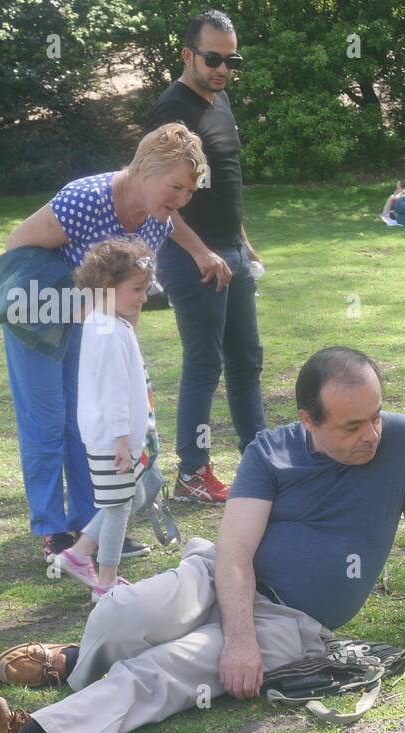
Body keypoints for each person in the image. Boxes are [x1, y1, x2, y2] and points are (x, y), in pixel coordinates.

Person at [0, 348, 405, 733]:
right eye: (351, 426)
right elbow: (236, 551)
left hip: (291, 620)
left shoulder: (404, 442)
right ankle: (78, 661)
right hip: (216, 576)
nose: (371, 435)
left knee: (167, 669)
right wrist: (239, 640)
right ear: (308, 420)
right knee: (121, 613)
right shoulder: (269, 452)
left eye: (375, 417)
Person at [3, 123, 207, 564]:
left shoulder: (157, 223)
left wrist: (124, 348)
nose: (181, 201)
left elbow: (132, 294)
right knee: (48, 423)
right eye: (175, 187)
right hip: (35, 317)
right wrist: (75, 302)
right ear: (145, 171)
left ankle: (90, 528)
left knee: (89, 422)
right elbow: (16, 247)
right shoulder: (86, 199)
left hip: (90, 326)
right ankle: (53, 531)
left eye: (189, 192)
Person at [146, 9, 266, 505]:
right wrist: (200, 252)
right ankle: (192, 473)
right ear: (188, 54)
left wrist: (242, 241)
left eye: (231, 60)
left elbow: (223, 182)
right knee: (205, 362)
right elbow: (158, 195)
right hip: (192, 256)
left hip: (231, 251)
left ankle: (259, 459)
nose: (222, 68)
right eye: (213, 58)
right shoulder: (171, 111)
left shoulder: (220, 100)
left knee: (247, 359)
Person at [52, 238, 159, 603]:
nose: (144, 298)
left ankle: (80, 554)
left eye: (146, 289)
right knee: (117, 508)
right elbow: (113, 391)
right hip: (113, 438)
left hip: (114, 436)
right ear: (106, 288)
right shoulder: (109, 331)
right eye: (137, 290)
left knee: (127, 497)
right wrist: (120, 442)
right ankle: (106, 582)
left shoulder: (105, 322)